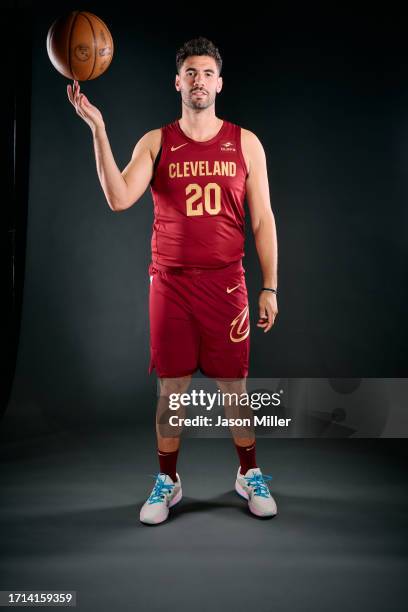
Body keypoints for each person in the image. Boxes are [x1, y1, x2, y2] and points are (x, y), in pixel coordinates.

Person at [67, 36, 279, 524]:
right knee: (173, 390)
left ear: (219, 83)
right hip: (171, 283)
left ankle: (249, 472)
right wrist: (99, 129)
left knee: (235, 388)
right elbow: (119, 198)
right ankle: (168, 480)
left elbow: (263, 219)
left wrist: (269, 285)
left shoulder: (245, 142)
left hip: (227, 283)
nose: (199, 80)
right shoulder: (156, 141)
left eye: (207, 72)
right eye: (191, 73)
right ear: (177, 82)